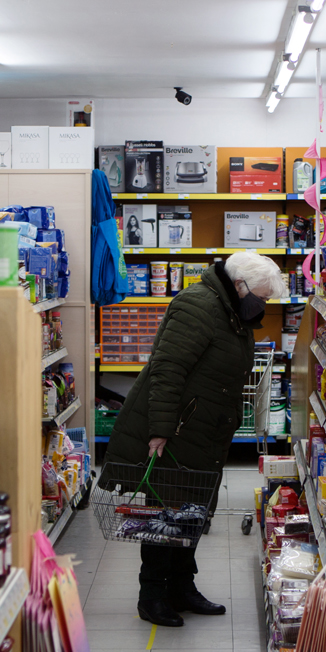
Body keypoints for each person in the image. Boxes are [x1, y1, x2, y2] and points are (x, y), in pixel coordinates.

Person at [101, 250, 287, 626]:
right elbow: (166, 370)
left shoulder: (231, 309)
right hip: (178, 431)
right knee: (164, 514)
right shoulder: (197, 305)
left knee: (193, 513)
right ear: (240, 285)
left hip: (205, 431)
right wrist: (160, 430)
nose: (263, 305)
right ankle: (151, 596)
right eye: (262, 297)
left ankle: (182, 588)